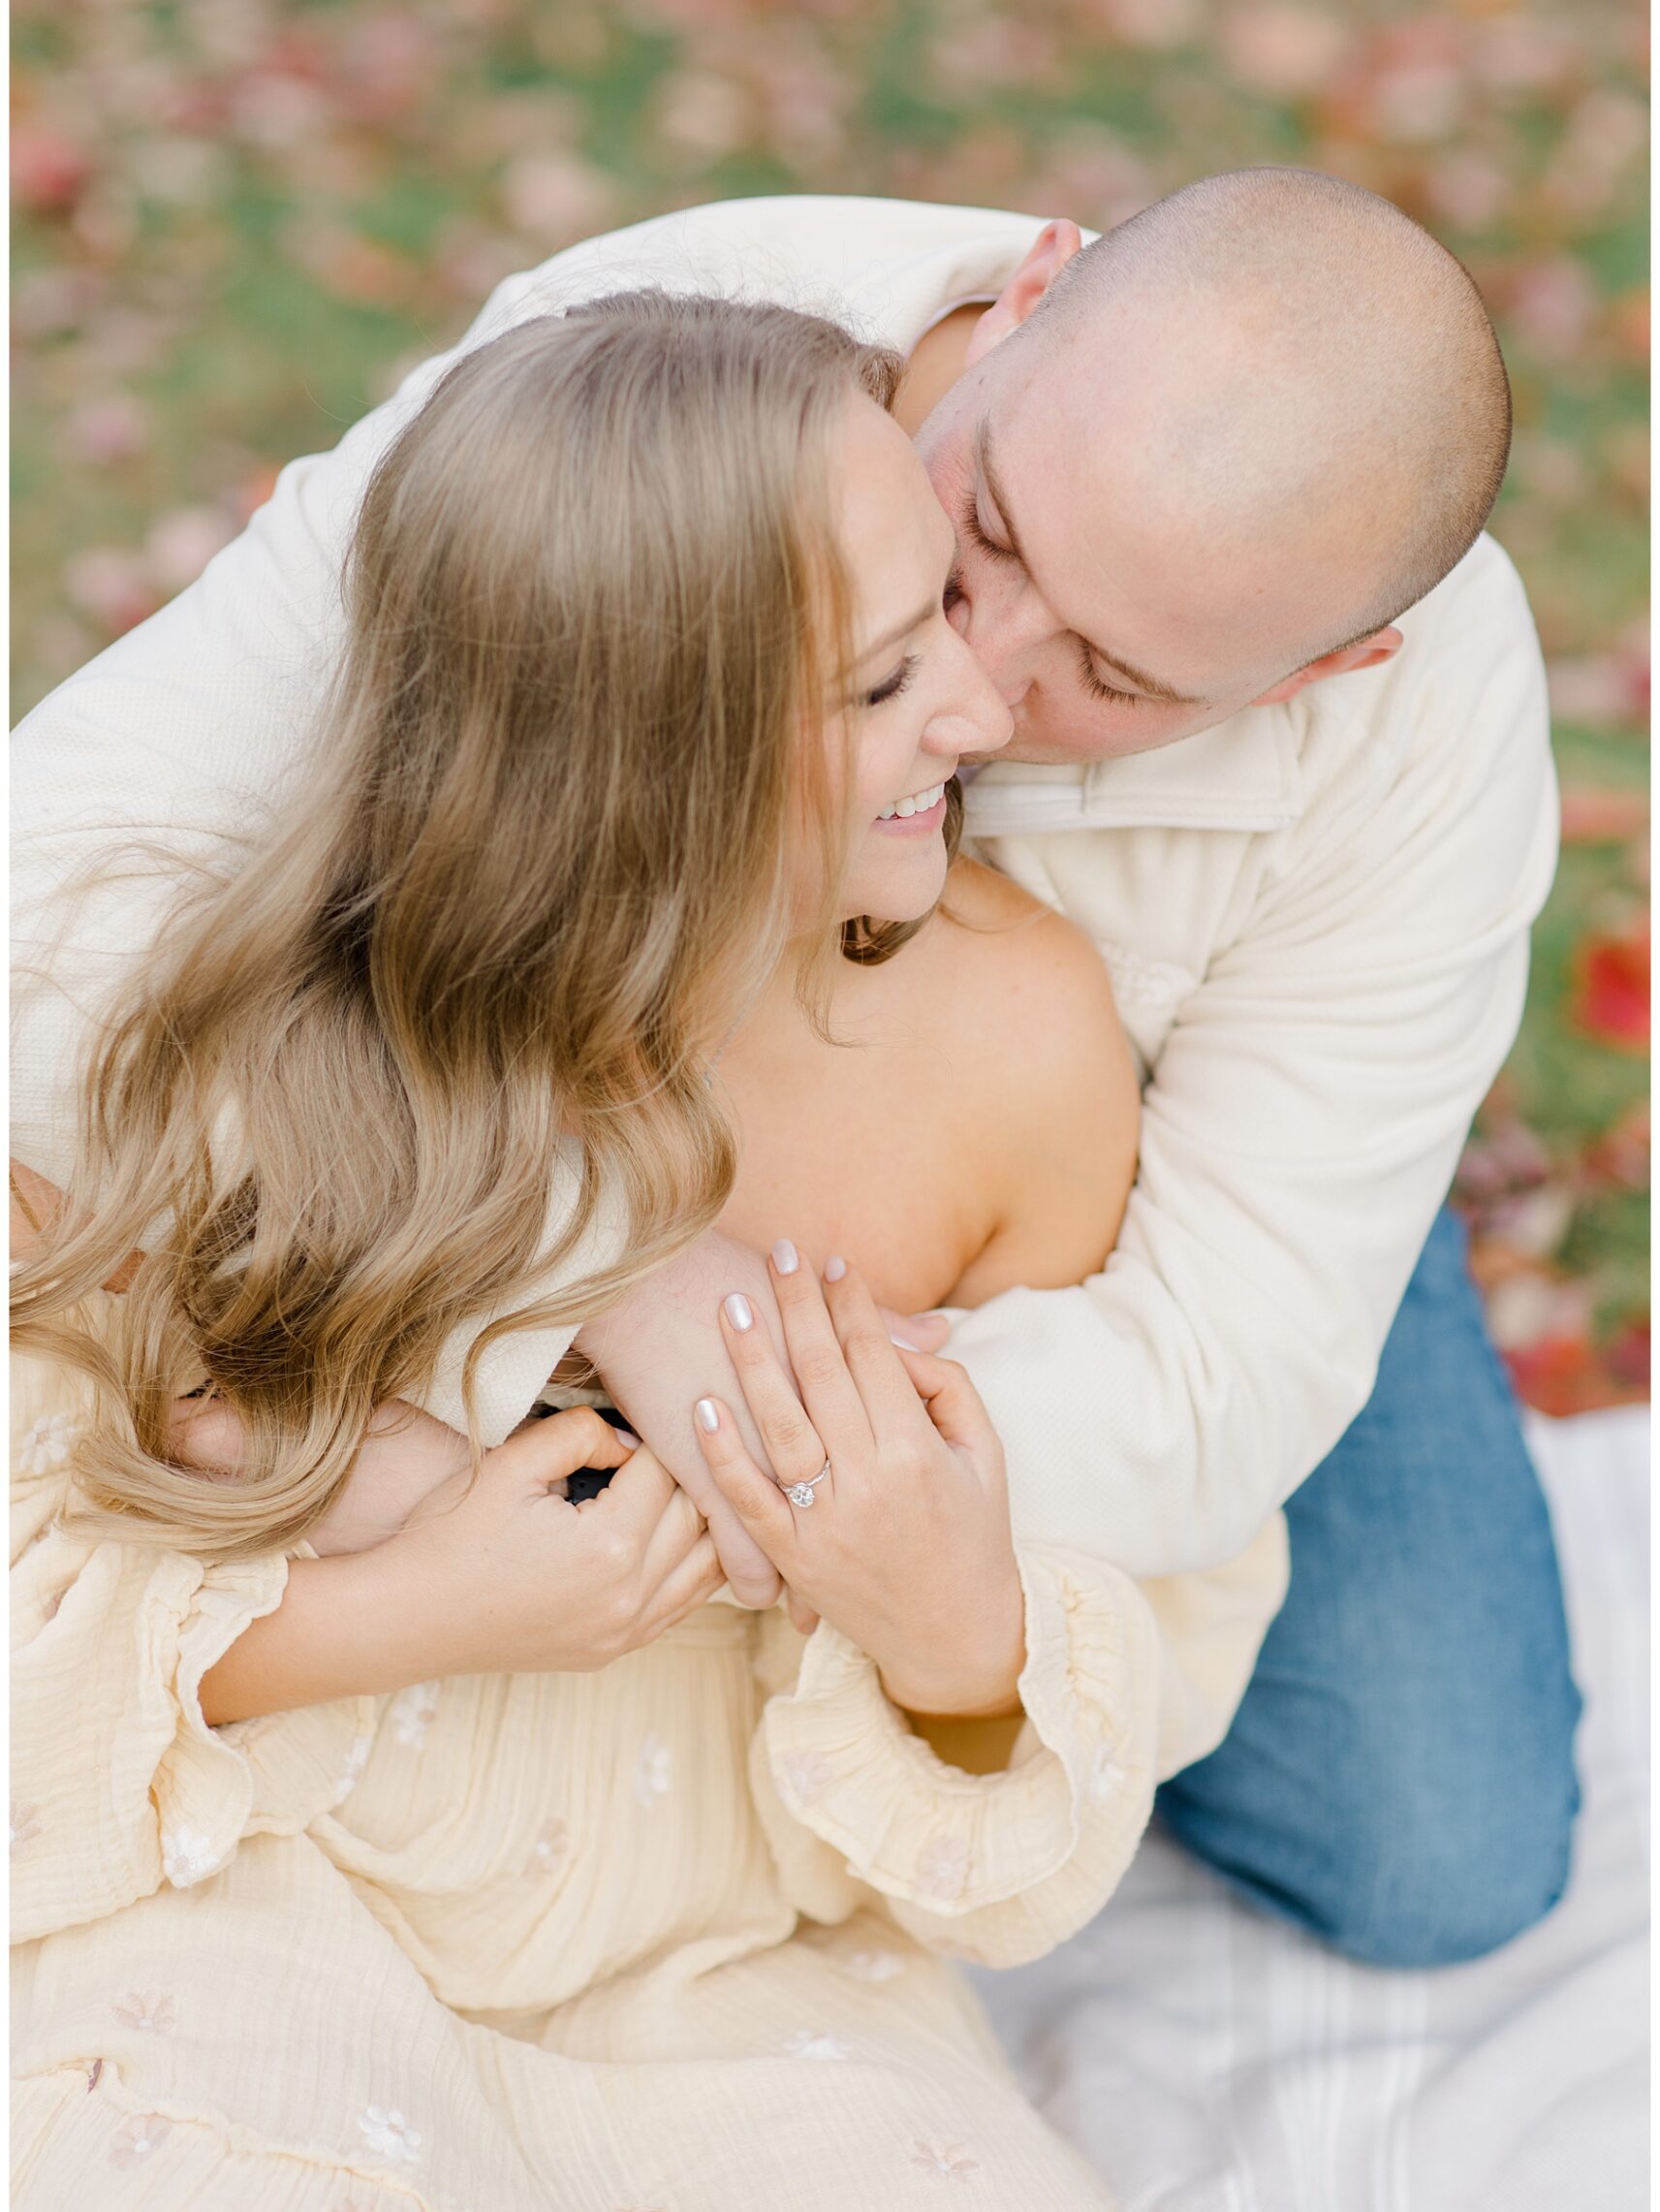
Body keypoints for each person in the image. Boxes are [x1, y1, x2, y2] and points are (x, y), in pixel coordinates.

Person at [12, 169, 1579, 1966]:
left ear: (1333, 664)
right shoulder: (672, 358)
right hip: (515, 1116)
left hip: (1158, 1182)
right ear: (1037, 290)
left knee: (1428, 1847)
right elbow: (49, 915)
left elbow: (1209, 1382)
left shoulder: (1420, 727)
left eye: (1115, 679)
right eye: (979, 529)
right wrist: (617, 1274)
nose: (982, 685)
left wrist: (692, 1466)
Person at [13, 292, 1283, 2212]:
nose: (978, 709)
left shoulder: (1020, 1044)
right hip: (259, 1876)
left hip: (723, 1982)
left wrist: (957, 1632)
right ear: (625, 755)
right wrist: (407, 1606)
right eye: (879, 678)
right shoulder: (212, 1028)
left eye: (944, 598)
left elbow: (1102, 1680)